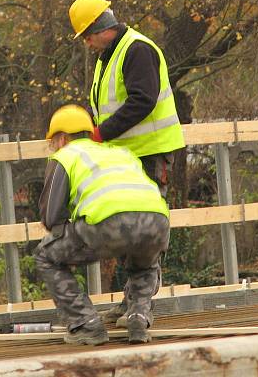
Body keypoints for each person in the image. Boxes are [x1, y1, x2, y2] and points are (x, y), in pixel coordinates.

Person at [69, 0, 185, 325]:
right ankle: (131, 299)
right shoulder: (110, 55)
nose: (88, 43)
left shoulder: (137, 50)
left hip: (150, 152)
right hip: (126, 157)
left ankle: (140, 304)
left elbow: (142, 101)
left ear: (100, 27)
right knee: (125, 227)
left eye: (88, 36)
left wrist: (102, 133)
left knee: (144, 229)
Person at [34, 105, 170, 345]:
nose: (52, 148)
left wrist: (72, 230)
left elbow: (50, 217)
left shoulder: (64, 156)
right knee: (145, 264)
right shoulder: (120, 153)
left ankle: (85, 324)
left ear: (62, 138)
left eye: (52, 142)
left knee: (46, 256)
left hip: (107, 222)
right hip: (157, 221)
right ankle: (137, 316)